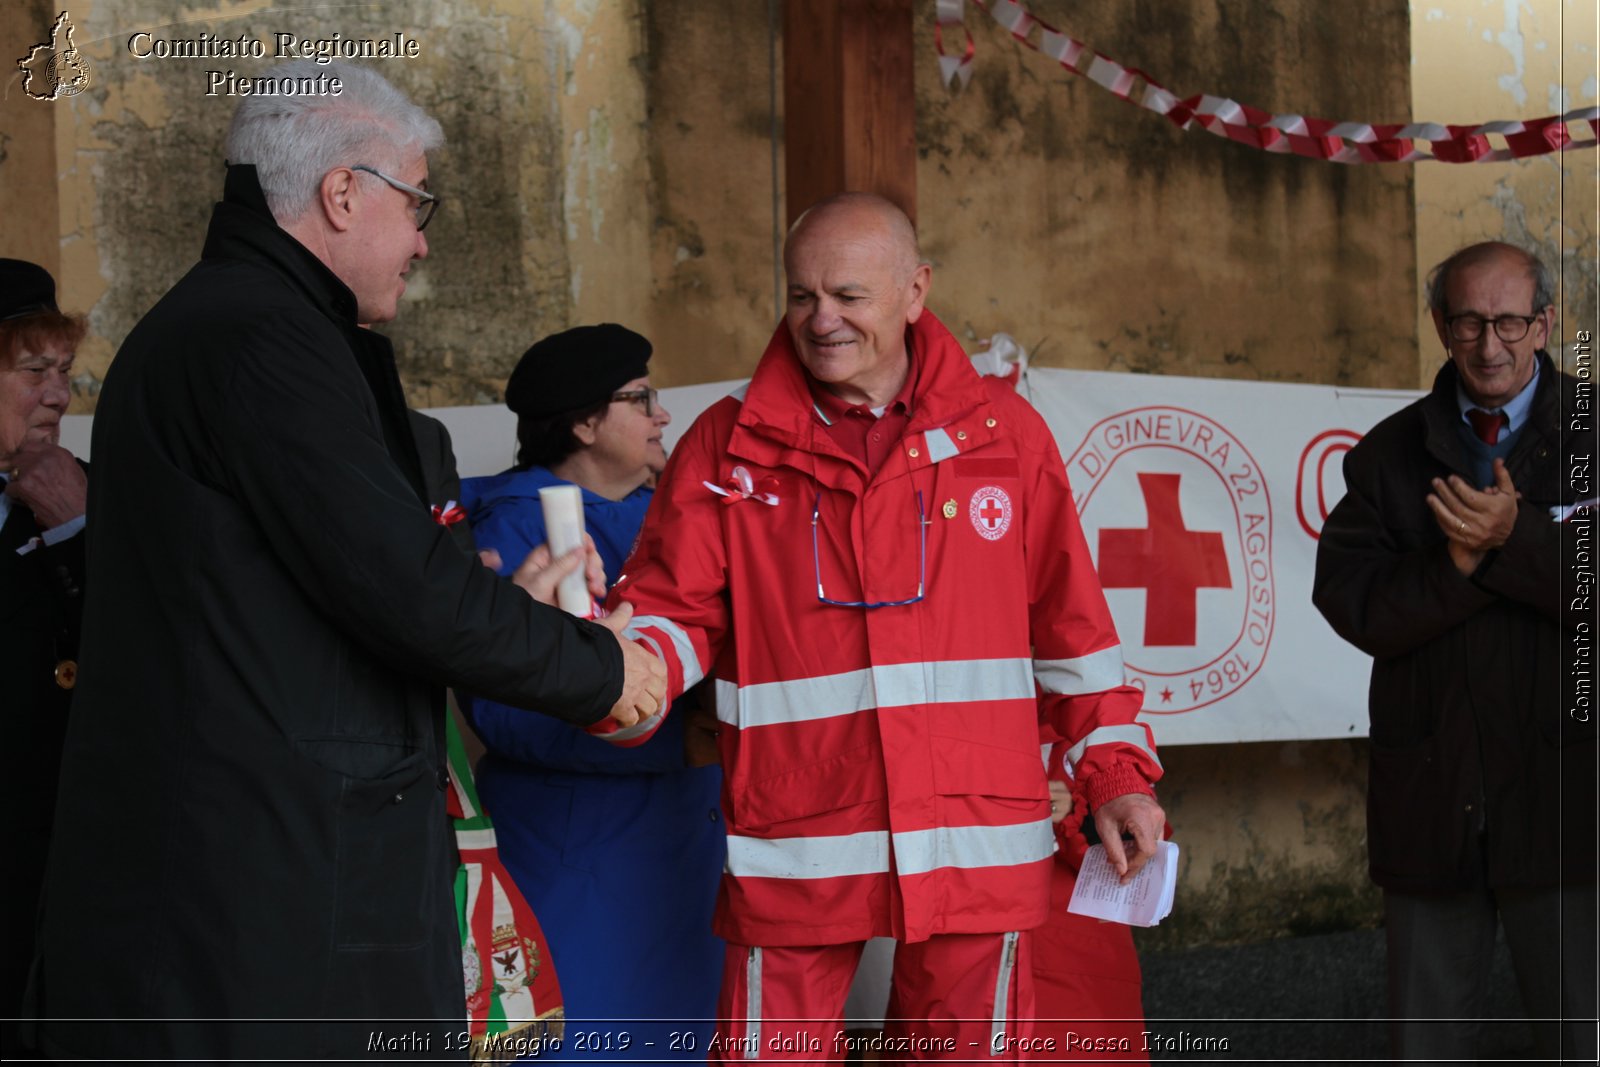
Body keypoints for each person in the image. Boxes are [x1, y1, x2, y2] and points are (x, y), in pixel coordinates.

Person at [31, 61, 664, 1062]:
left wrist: (506, 610)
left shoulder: (247, 323)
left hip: (265, 869)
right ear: (342, 193)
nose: (420, 237)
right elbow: (397, 580)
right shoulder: (258, 335)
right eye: (416, 203)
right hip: (253, 895)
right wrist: (597, 667)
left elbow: (337, 580)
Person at [588, 192, 1166, 1058]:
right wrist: (615, 670)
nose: (820, 320)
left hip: (976, 828)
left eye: (848, 296)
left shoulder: (1006, 437)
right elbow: (671, 613)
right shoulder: (727, 447)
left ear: (915, 290)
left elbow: (1073, 629)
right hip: (799, 832)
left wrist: (1116, 774)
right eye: (800, 296)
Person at [1313, 241, 1596, 1062]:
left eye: (1510, 320)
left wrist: (1518, 541)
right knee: (1427, 1047)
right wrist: (1458, 566)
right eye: (1468, 320)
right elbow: (1355, 604)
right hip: (1435, 799)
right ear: (1441, 326)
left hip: (1568, 799)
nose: (1490, 343)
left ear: (1544, 325)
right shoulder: (1388, 455)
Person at [457, 324, 725, 1056]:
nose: (661, 415)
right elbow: (506, 711)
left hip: (682, 853)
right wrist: (682, 737)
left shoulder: (671, 513)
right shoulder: (517, 524)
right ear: (582, 422)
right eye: (640, 399)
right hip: (582, 862)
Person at [0, 258, 88, 1061]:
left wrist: (75, 533)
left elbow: (148, 653)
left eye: (63, 372)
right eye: (34, 371)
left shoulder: (87, 499)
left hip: (62, 884)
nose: (59, 395)